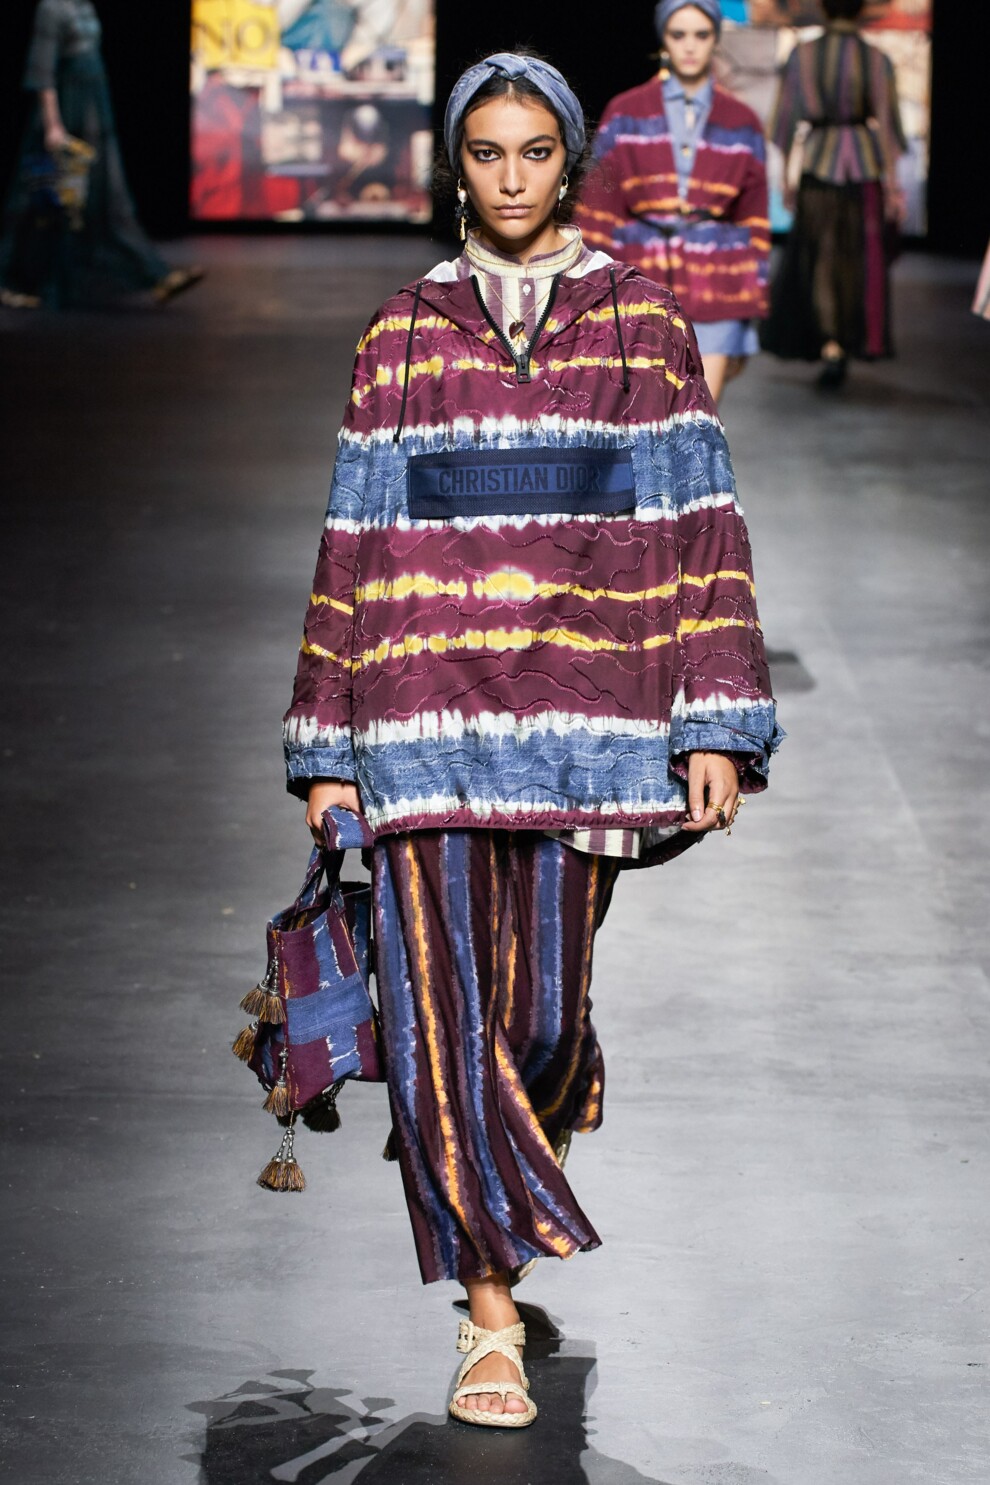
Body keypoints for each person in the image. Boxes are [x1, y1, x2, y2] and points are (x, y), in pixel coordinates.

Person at [282, 50, 780, 1428]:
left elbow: (702, 522)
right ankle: (488, 1313)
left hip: (591, 718)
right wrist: (325, 741)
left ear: (571, 162)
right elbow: (352, 535)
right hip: (423, 715)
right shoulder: (402, 331)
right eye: (486, 153)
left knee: (543, 1022)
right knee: (443, 1019)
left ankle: (500, 1134)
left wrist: (714, 714)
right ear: (457, 166)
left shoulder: (644, 324)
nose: (511, 179)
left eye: (535, 153)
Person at [574, 1, 769, 405]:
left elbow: (753, 217)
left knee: (701, 415)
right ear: (664, 38)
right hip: (641, 280)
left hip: (718, 281)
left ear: (715, 39)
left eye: (701, 35)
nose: (690, 46)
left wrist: (753, 296)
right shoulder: (626, 111)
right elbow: (598, 206)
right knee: (645, 414)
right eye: (679, 35)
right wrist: (587, 291)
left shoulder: (742, 120)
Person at [0, 0, 202, 310]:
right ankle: (13, 281)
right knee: (42, 200)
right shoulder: (51, 8)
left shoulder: (84, 7)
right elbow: (43, 72)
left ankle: (153, 275)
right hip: (66, 110)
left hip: (92, 107)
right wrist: (53, 125)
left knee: (107, 197)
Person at [760, 0, 906, 386]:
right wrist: (893, 188)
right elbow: (888, 126)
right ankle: (843, 338)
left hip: (818, 164)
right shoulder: (875, 58)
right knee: (854, 258)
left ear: (823, 8)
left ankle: (831, 345)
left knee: (821, 257)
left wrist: (787, 179)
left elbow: (786, 120)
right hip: (864, 166)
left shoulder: (802, 55)